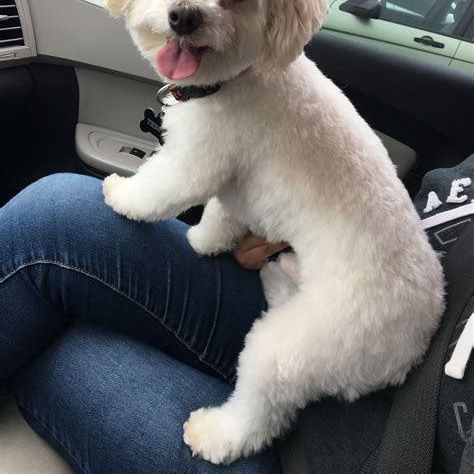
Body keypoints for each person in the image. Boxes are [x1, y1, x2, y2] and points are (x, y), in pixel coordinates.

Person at [1, 157, 473, 473]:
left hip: (326, 446)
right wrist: (306, 226)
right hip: (321, 298)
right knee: (57, 210)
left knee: (59, 343)